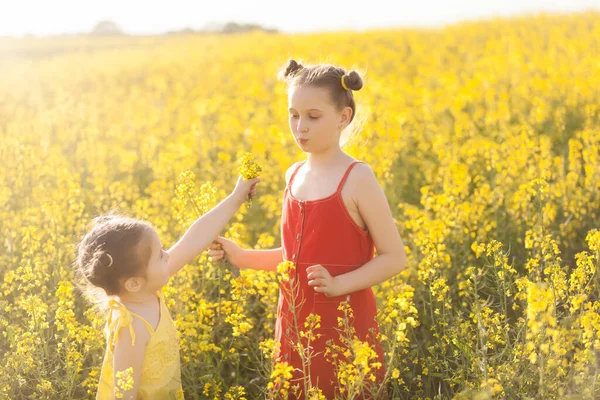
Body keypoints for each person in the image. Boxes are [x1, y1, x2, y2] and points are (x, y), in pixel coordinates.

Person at [208, 59, 406, 399]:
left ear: (344, 117)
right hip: (294, 321)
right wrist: (241, 256)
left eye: (313, 117)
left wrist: (339, 284)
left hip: (343, 325)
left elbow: (394, 258)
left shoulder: (358, 178)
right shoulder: (293, 174)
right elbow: (294, 257)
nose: (301, 126)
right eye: (293, 114)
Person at [76, 176, 259, 399]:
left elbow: (194, 239)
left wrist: (236, 197)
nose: (168, 256)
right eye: (160, 256)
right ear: (134, 283)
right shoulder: (131, 328)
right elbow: (124, 396)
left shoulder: (146, 289)